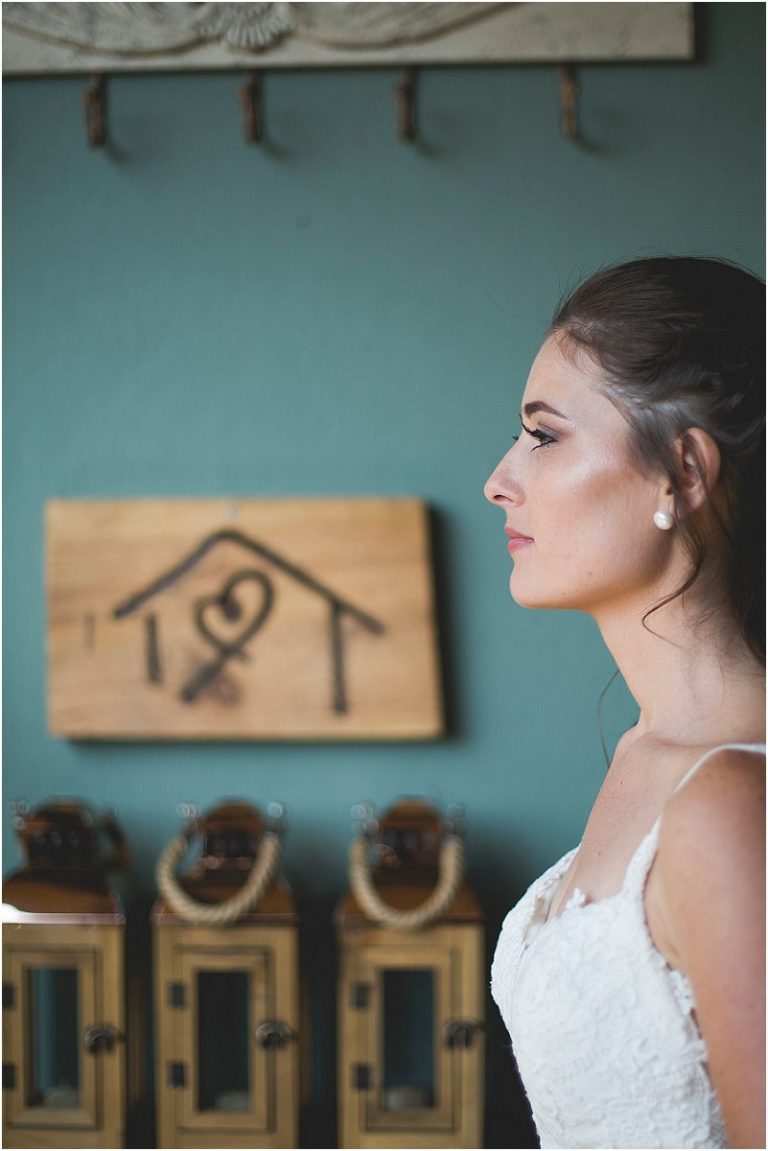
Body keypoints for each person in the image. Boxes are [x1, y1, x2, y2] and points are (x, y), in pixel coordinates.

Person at [485, 257, 765, 1150]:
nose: (499, 479)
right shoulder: (647, 750)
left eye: (544, 435)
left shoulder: (734, 802)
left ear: (683, 471)